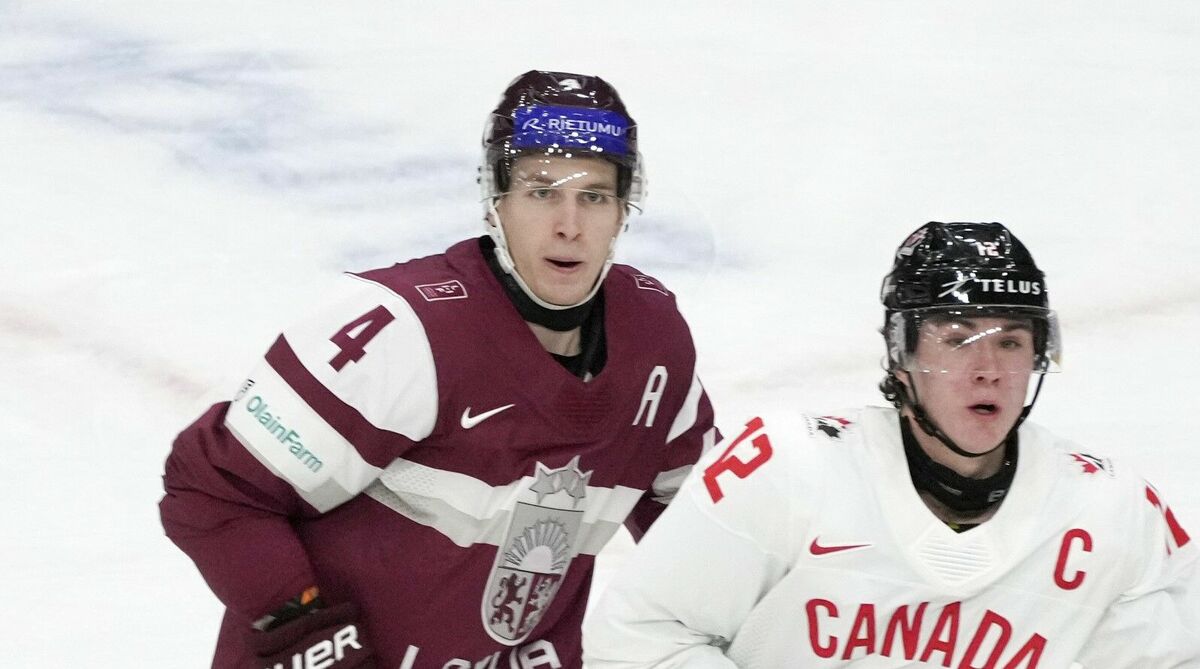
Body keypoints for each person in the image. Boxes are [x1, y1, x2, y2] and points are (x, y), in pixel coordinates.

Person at [159, 70, 718, 669]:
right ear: (496, 201)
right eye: (541, 192)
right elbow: (213, 488)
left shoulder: (654, 343)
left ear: (622, 210)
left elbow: (708, 532)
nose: (569, 225)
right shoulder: (403, 330)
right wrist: (304, 630)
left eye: (595, 196)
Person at [583, 222, 1199, 668]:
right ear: (901, 355)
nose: (987, 368)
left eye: (1011, 342)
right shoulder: (785, 470)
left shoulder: (1115, 515)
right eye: (956, 338)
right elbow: (636, 638)